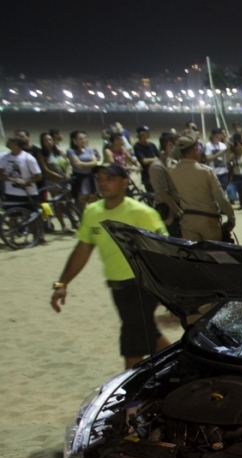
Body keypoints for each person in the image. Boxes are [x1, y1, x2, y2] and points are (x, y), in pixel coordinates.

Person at [50, 164, 171, 369]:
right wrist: (62, 283)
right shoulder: (93, 212)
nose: (103, 183)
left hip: (143, 285)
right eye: (99, 178)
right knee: (147, 332)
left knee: (132, 343)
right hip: (117, 288)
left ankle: (131, 387)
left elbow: (165, 249)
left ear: (125, 182)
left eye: (110, 178)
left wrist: (166, 288)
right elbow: (82, 250)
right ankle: (187, 366)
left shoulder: (142, 213)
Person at [171, 135, 236, 242]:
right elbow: (220, 198)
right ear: (195, 150)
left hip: (187, 220)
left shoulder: (173, 171)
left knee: (193, 251)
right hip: (208, 220)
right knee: (213, 251)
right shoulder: (206, 171)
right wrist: (231, 217)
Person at [148, 132, 183, 237]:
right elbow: (163, 193)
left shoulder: (173, 163)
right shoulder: (157, 167)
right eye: (179, 145)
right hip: (170, 215)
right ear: (169, 145)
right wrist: (179, 213)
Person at [1, 136, 43, 214]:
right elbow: (1, 174)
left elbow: (38, 176)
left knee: (32, 216)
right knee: (12, 216)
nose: (7, 143)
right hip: (11, 193)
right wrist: (14, 180)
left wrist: (26, 181)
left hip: (28, 193)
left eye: (9, 142)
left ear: (16, 144)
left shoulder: (28, 158)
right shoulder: (5, 158)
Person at [67, 131, 102, 209]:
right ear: (74, 140)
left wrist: (83, 164)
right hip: (79, 179)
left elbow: (95, 162)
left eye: (85, 138)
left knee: (93, 199)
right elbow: (79, 166)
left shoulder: (89, 149)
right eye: (80, 139)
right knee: (82, 200)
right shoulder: (71, 151)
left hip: (90, 178)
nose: (83, 140)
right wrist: (89, 164)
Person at [131, 126, 159, 193]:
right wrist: (155, 159)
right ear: (141, 134)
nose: (149, 133)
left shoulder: (152, 145)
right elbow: (144, 161)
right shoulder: (138, 147)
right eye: (147, 132)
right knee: (152, 194)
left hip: (156, 173)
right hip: (147, 175)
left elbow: (160, 156)